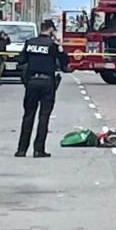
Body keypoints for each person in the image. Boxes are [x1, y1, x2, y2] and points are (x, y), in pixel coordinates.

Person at [13, 21, 70, 158]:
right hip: (47, 83)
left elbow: (21, 60)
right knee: (44, 117)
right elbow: (64, 62)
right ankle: (39, 150)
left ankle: (21, 149)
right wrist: (59, 45)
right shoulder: (52, 45)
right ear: (51, 30)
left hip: (32, 82)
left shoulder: (30, 43)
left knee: (28, 116)